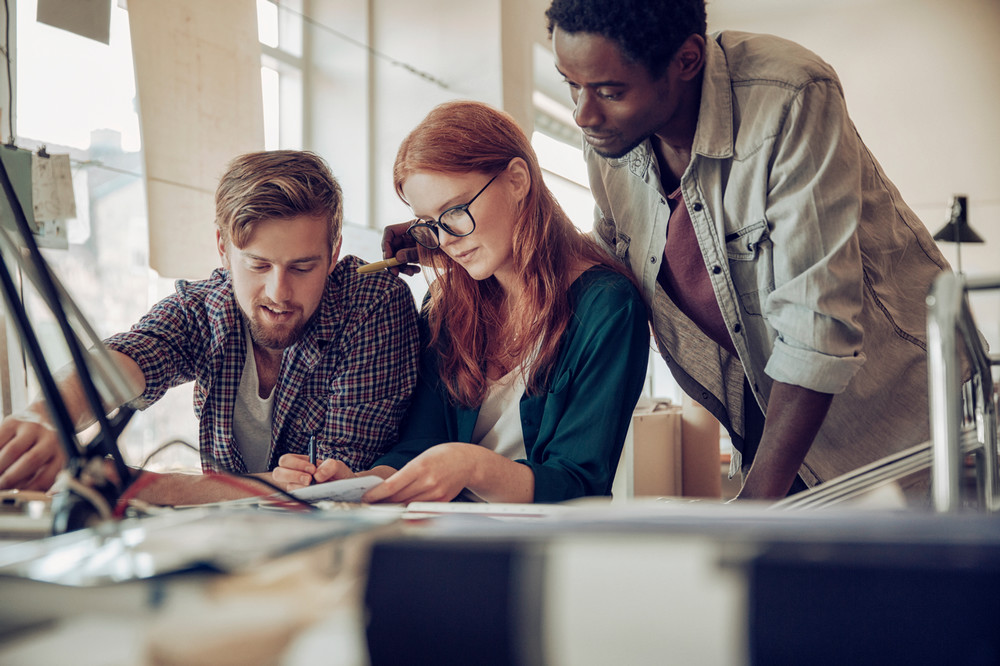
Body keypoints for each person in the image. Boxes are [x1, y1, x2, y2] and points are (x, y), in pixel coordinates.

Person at [538, 0, 954, 500]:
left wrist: (753, 509)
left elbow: (815, 329)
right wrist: (455, 235)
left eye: (610, 91)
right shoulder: (612, 138)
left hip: (896, 437)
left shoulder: (791, 97)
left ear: (686, 60)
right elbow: (608, 258)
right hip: (773, 435)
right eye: (570, 83)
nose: (584, 113)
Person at [274, 101, 650, 504]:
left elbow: (578, 482)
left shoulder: (608, 307)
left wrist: (470, 466)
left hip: (544, 546)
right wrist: (365, 481)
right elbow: (420, 443)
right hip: (448, 538)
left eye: (454, 210)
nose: (447, 240)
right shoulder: (446, 306)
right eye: (430, 224)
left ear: (518, 179)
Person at [0, 150, 420, 504]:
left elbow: (321, 492)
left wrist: (131, 484)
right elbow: (130, 356)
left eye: (303, 267)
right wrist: (45, 416)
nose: (279, 292)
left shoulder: (371, 302)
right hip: (223, 551)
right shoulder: (204, 306)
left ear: (334, 252)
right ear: (223, 248)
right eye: (258, 265)